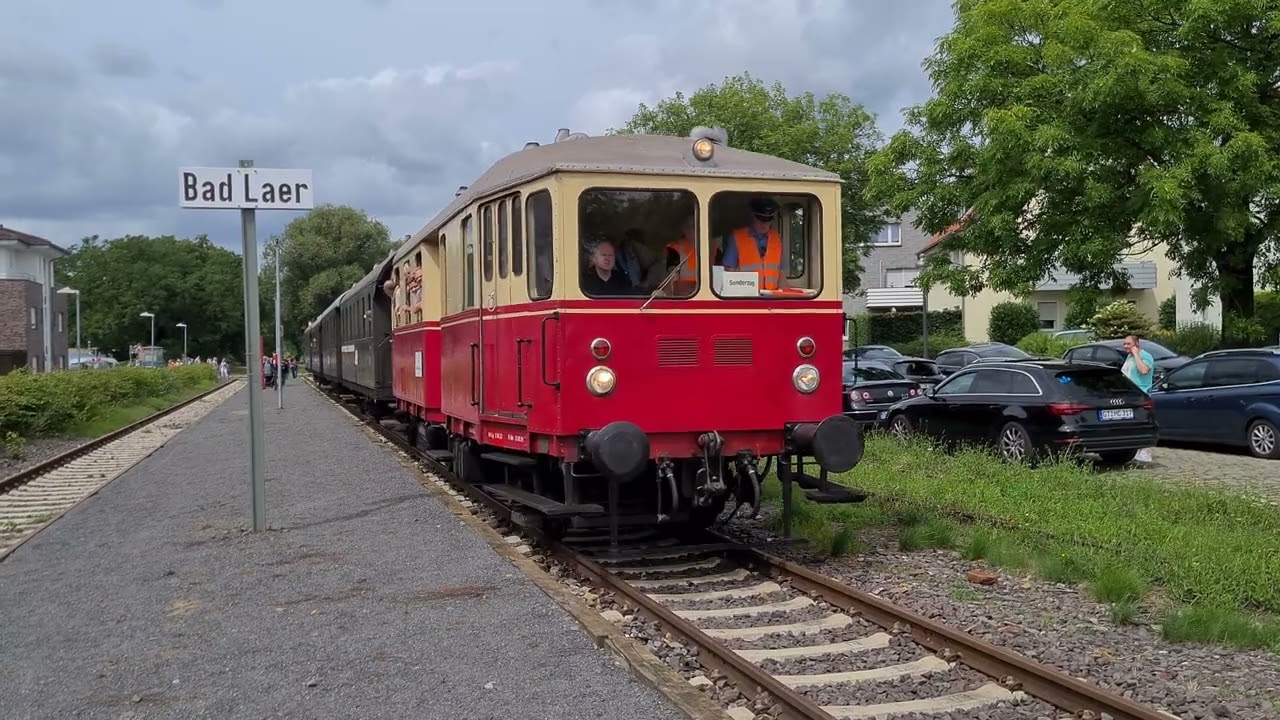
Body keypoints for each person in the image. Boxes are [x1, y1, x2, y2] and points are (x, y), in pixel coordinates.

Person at [718, 197, 785, 291]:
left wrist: (782, 297)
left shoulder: (778, 239)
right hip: (746, 297)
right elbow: (729, 271)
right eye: (760, 219)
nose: (764, 224)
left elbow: (781, 272)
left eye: (768, 220)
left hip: (772, 297)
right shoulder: (737, 237)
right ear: (753, 216)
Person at [1122, 334, 1156, 464]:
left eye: (1128, 344)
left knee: (1142, 422)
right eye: (1124, 344)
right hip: (1129, 395)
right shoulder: (1128, 357)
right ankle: (1134, 450)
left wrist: (1136, 354)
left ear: (1136, 344)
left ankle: (1145, 451)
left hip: (1141, 394)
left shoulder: (1145, 356)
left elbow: (1143, 370)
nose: (1125, 346)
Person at [662, 215, 698, 296]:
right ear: (683, 229)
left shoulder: (713, 248)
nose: (691, 230)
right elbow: (671, 277)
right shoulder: (674, 249)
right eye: (687, 226)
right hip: (683, 297)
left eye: (694, 226)